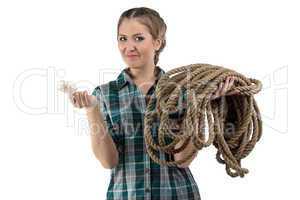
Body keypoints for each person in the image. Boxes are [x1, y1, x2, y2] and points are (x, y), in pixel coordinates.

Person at [71, 7, 236, 200]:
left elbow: (182, 160)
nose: (129, 46)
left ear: (157, 42)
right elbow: (109, 161)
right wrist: (92, 110)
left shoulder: (182, 91)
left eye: (138, 38)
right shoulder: (105, 95)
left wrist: (197, 104)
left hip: (177, 194)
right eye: (122, 38)